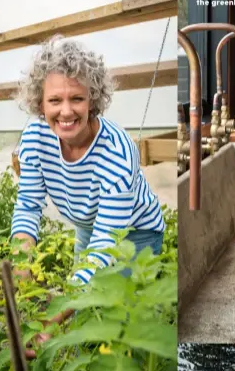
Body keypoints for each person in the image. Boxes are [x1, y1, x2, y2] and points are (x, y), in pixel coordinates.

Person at [12, 36, 165, 351]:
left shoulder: (117, 153)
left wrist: (50, 320)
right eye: (55, 100)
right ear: (39, 103)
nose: (66, 112)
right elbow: (28, 206)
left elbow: (105, 248)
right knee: (83, 309)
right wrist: (21, 261)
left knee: (118, 314)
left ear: (92, 99)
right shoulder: (35, 138)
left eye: (77, 99)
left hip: (136, 233)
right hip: (87, 225)